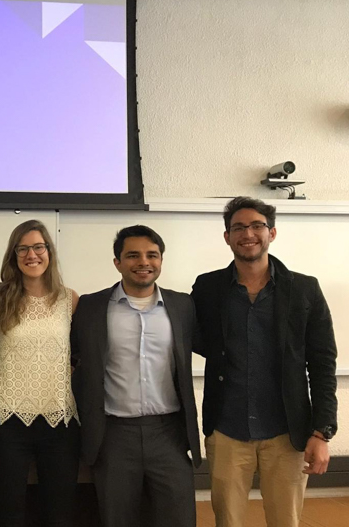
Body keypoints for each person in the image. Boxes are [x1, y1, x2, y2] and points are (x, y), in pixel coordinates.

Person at [192, 196, 338, 527]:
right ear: (227, 236)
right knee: (227, 521)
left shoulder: (304, 290)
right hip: (227, 429)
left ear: (272, 233)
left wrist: (322, 431)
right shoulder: (208, 287)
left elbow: (322, 363)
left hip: (287, 432)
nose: (248, 234)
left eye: (257, 226)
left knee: (285, 521)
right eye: (238, 227)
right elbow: (198, 339)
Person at [71, 225, 200, 527]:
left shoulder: (182, 306)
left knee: (179, 519)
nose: (144, 262)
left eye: (152, 255)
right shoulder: (90, 307)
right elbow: (71, 357)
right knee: (118, 519)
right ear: (117, 262)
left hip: (168, 432)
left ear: (161, 260)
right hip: (114, 434)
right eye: (133, 255)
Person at [0, 220, 80, 527]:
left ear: (49, 251)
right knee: (9, 514)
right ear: (13, 255)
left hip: (59, 421)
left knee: (59, 514)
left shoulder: (70, 299)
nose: (31, 254)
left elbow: (77, 355)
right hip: (8, 423)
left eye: (39, 247)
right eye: (22, 248)